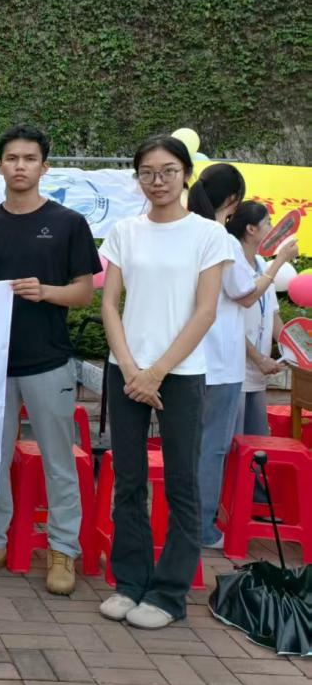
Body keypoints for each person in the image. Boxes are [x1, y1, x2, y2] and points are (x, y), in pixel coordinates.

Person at [97, 135, 234, 629]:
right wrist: (130, 367)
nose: (158, 181)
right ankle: (129, 582)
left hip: (181, 373)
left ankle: (169, 593)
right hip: (126, 370)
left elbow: (205, 312)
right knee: (129, 480)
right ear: (138, 178)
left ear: (186, 175)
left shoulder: (209, 235)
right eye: (148, 173)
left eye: (168, 171)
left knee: (181, 482)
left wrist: (156, 371)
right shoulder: (124, 231)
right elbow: (110, 303)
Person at [0, 125, 100, 596]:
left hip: (48, 361)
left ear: (44, 166)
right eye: (12, 158)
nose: (20, 166)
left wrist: (45, 292)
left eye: (30, 158)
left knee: (59, 460)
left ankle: (63, 549)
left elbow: (84, 293)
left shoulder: (68, 223)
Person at [191, 164, 294, 548]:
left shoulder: (192, 231)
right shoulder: (222, 239)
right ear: (233, 199)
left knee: (197, 445)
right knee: (213, 446)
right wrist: (279, 263)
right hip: (220, 361)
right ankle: (202, 527)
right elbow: (246, 295)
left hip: (192, 356)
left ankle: (190, 521)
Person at [228, 201, 294, 436]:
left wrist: (294, 350)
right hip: (235, 372)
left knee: (257, 444)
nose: (272, 228)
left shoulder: (262, 264)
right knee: (233, 443)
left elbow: (272, 314)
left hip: (258, 373)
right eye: (267, 223)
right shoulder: (233, 265)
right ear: (250, 229)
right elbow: (230, 321)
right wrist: (258, 358)